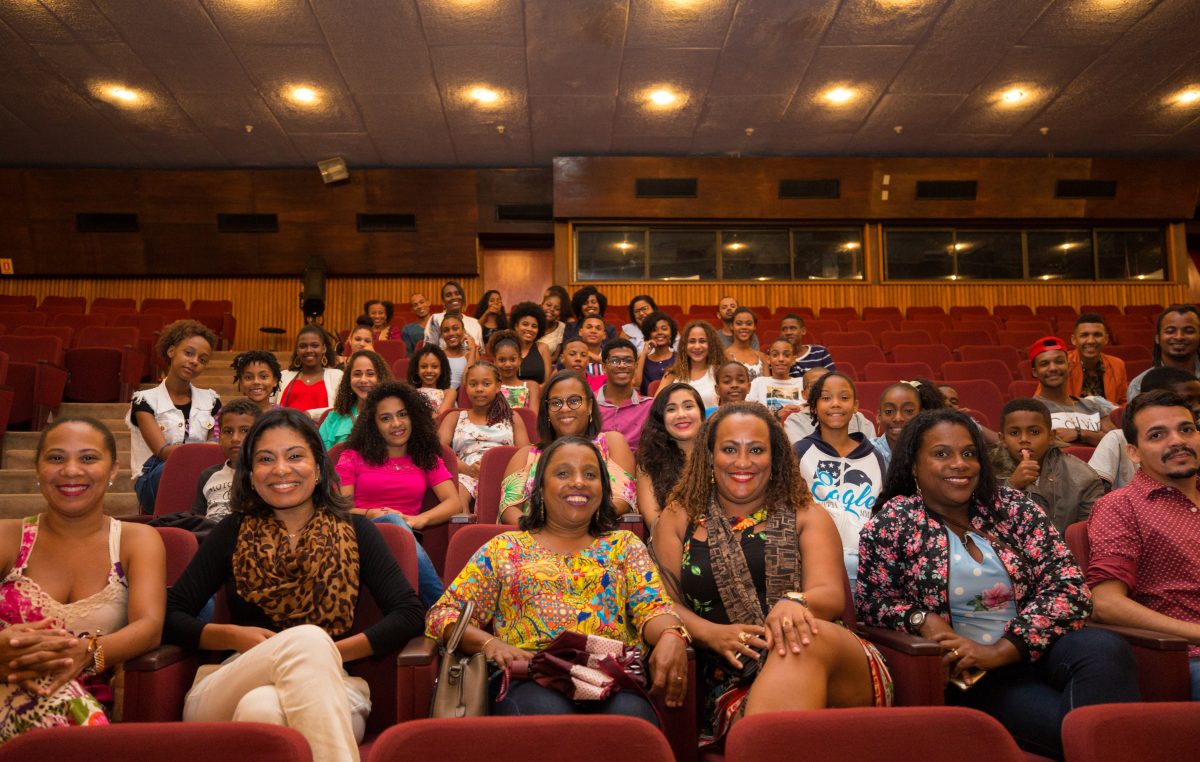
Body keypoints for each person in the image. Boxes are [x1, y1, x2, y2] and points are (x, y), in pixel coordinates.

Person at [857, 409, 1139, 758]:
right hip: (974, 675)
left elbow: (1068, 588)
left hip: (1038, 650)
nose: (959, 464)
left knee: (1104, 647)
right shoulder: (895, 520)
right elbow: (873, 600)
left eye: (969, 453)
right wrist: (920, 619)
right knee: (1079, 730)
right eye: (941, 454)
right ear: (914, 465)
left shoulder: (1013, 508)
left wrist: (1001, 650)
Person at [164, 408, 425, 761]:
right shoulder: (232, 531)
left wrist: (325, 652)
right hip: (232, 679)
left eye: (295, 456)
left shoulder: (357, 531)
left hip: (334, 688)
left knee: (264, 708)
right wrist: (235, 637)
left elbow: (409, 613)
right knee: (301, 646)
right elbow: (170, 614)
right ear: (251, 474)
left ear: (318, 468)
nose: (281, 470)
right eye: (266, 459)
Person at [653, 402, 893, 748]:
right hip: (735, 679)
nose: (743, 462)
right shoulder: (678, 518)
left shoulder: (808, 514)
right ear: (709, 455)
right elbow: (662, 602)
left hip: (832, 661)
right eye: (729, 449)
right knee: (791, 646)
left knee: (794, 639)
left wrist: (796, 602)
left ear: (775, 457)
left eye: (756, 450)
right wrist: (711, 634)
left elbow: (830, 594)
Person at [427, 436, 689, 720]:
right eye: (563, 473)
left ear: (603, 487)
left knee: (630, 720)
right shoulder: (506, 548)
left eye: (590, 474)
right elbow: (443, 615)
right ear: (539, 487)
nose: (578, 482)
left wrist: (671, 634)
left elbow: (653, 609)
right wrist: (490, 644)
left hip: (611, 678)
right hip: (528, 679)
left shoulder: (624, 546)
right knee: (548, 716)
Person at [0, 418, 165, 740]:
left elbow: (149, 627)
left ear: (114, 469)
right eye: (56, 458)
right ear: (38, 469)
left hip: (82, 709)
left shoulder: (136, 540)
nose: (71, 470)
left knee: (56, 702)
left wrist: (89, 652)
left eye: (88, 458)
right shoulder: (8, 536)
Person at [1086, 389, 1200, 699]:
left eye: (1186, 429)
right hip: (1183, 656)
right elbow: (1105, 602)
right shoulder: (1121, 506)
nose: (1177, 441)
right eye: (1158, 435)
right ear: (1133, 453)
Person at [499, 371, 636, 524]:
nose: (564, 408)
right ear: (548, 412)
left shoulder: (611, 443)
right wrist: (544, 533)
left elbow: (622, 498)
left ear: (590, 406)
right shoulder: (526, 455)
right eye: (556, 403)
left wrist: (575, 526)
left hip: (597, 536)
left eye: (574, 400)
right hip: (536, 539)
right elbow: (508, 508)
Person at [792, 372, 885, 584]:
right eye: (826, 398)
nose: (835, 404)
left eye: (844, 398)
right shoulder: (800, 451)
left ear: (855, 406)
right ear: (813, 406)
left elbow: (879, 510)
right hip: (813, 562)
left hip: (865, 563)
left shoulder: (873, 456)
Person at [338, 381, 462, 534]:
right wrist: (371, 514)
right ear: (373, 424)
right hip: (361, 536)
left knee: (396, 525)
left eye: (402, 414)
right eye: (385, 418)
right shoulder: (352, 456)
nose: (396, 423)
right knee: (392, 519)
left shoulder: (425, 456)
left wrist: (418, 519)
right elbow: (341, 508)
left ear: (414, 417)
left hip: (406, 537)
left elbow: (454, 503)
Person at [128, 319, 221, 513]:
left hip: (200, 473)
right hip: (155, 476)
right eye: (188, 353)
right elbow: (162, 451)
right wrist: (204, 450)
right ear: (171, 351)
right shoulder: (144, 400)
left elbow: (216, 445)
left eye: (202, 359)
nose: (194, 361)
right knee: (170, 471)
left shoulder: (211, 401)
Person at [989, 398, 1104, 533]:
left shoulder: (1083, 477)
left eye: (1035, 432)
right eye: (1014, 433)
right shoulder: (986, 470)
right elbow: (982, 524)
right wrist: (1011, 486)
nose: (1024, 439)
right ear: (1002, 439)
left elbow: (1090, 536)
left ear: (1051, 436)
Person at [1089, 367, 1200, 488]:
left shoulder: (1194, 438)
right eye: (1156, 436)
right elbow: (1096, 489)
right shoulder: (1118, 438)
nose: (1197, 407)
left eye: (1186, 430)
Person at [438, 362, 529, 506]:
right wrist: (467, 470)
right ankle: (462, 525)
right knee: (457, 492)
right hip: (465, 475)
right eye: (473, 384)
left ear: (498, 386)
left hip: (505, 474)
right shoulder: (454, 417)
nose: (479, 389)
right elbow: (438, 453)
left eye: (486, 384)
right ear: (466, 388)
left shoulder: (513, 418)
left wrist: (495, 469)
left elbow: (526, 455)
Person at [635, 383, 706, 530]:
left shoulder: (719, 455)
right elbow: (654, 524)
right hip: (672, 543)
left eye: (688, 406)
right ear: (661, 419)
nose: (681, 414)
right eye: (671, 409)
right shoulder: (649, 463)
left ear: (701, 413)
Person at [1029, 336, 1115, 446]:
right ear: (1035, 372)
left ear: (1069, 366)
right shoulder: (1031, 410)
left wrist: (1081, 434)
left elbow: (1117, 441)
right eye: (1044, 364)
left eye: (1059, 361)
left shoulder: (1091, 406)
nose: (1053, 368)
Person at [190, 399, 261, 527]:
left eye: (245, 430)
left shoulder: (266, 475)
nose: (235, 438)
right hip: (210, 538)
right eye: (228, 431)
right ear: (220, 437)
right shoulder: (208, 475)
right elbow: (196, 520)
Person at [319, 350, 391, 450]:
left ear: (380, 378)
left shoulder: (393, 417)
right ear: (349, 379)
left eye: (370, 374)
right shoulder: (334, 418)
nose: (363, 380)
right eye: (357, 374)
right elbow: (321, 457)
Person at [783, 368, 874, 444]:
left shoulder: (858, 419)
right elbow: (801, 457)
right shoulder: (796, 421)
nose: (821, 390)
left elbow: (871, 452)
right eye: (815, 386)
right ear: (804, 394)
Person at [868, 378, 945, 468]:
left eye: (908, 411)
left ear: (922, 414)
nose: (898, 418)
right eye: (889, 411)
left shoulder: (934, 451)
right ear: (878, 416)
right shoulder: (866, 453)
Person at [1127, 304, 1200, 399]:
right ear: (1157, 338)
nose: (1179, 337)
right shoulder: (1139, 384)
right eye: (1170, 331)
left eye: (1189, 331)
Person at [596, 339, 653, 451]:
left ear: (636, 366)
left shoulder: (649, 406)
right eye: (614, 361)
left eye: (628, 361)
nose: (622, 365)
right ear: (603, 367)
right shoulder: (589, 403)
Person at [275, 325, 343, 417]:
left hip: (322, 431)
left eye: (314, 346)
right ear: (297, 351)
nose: (309, 350)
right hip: (286, 429)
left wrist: (309, 415)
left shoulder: (337, 376)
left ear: (324, 348)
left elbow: (340, 409)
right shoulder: (283, 376)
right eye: (303, 346)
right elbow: (271, 407)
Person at [657, 320, 725, 411]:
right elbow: (656, 405)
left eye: (702, 341)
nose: (697, 346)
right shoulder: (672, 374)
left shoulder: (719, 372)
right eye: (692, 341)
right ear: (684, 345)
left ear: (711, 345)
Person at [1065, 314, 1128, 405]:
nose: (1091, 341)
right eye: (1084, 335)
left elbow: (1123, 402)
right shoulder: (1061, 364)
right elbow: (1043, 403)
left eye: (1097, 335)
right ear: (1074, 340)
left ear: (1106, 339)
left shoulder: (1117, 364)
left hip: (1108, 417)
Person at [747, 338, 805, 418]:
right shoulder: (758, 383)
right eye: (775, 355)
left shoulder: (802, 382)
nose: (781, 359)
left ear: (793, 360)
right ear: (768, 359)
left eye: (786, 355)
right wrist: (776, 415)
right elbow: (748, 411)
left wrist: (801, 408)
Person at [489, 330, 542, 412]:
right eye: (502, 360)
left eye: (513, 359)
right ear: (494, 361)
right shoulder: (490, 386)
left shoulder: (531, 386)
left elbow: (533, 418)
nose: (508, 364)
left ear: (520, 360)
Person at [424, 280, 484, 350]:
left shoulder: (475, 323)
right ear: (443, 302)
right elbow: (429, 351)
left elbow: (480, 352)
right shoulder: (435, 319)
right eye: (448, 295)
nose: (454, 297)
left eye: (457, 293)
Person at [508, 301, 552, 386]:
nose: (530, 329)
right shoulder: (508, 347)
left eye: (534, 326)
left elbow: (547, 382)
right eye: (525, 324)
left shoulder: (543, 348)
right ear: (516, 326)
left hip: (538, 394)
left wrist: (534, 391)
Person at [634, 310, 677, 396]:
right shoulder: (643, 359)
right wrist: (644, 354)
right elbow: (636, 385)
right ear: (649, 335)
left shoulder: (679, 358)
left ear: (671, 333)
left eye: (664, 329)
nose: (660, 333)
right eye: (654, 330)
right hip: (648, 406)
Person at [408, 343, 456, 418]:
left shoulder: (449, 393)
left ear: (441, 370)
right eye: (424, 366)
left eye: (434, 366)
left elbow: (439, 417)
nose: (429, 371)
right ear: (417, 370)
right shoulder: (410, 393)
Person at [232, 350, 283, 415]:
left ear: (275, 381)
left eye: (263, 376)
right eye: (248, 377)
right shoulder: (229, 414)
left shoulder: (285, 416)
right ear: (241, 382)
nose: (256, 382)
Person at [724, 308, 768, 380]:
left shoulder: (762, 357)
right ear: (731, 326)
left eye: (749, 324)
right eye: (739, 323)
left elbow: (767, 387)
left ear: (754, 327)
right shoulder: (724, 356)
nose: (744, 327)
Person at [439, 313, 478, 390]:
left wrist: (473, 349)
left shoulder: (471, 354)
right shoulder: (438, 355)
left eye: (455, 328)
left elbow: (469, 382)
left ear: (464, 331)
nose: (451, 333)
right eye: (446, 330)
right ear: (442, 335)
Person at [538, 285, 570, 359]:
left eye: (557, 308)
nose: (552, 309)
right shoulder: (533, 323)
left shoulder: (561, 327)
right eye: (548, 305)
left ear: (560, 312)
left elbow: (555, 357)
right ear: (541, 305)